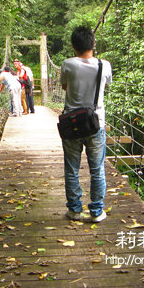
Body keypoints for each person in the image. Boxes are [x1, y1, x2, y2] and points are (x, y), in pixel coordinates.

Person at [59, 26, 112, 222]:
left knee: (72, 169)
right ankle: (97, 212)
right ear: (94, 44)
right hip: (95, 123)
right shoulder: (104, 65)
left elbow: (65, 86)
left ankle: (74, 210)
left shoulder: (67, 64)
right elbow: (105, 86)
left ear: (73, 45)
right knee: (97, 169)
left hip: (71, 123)